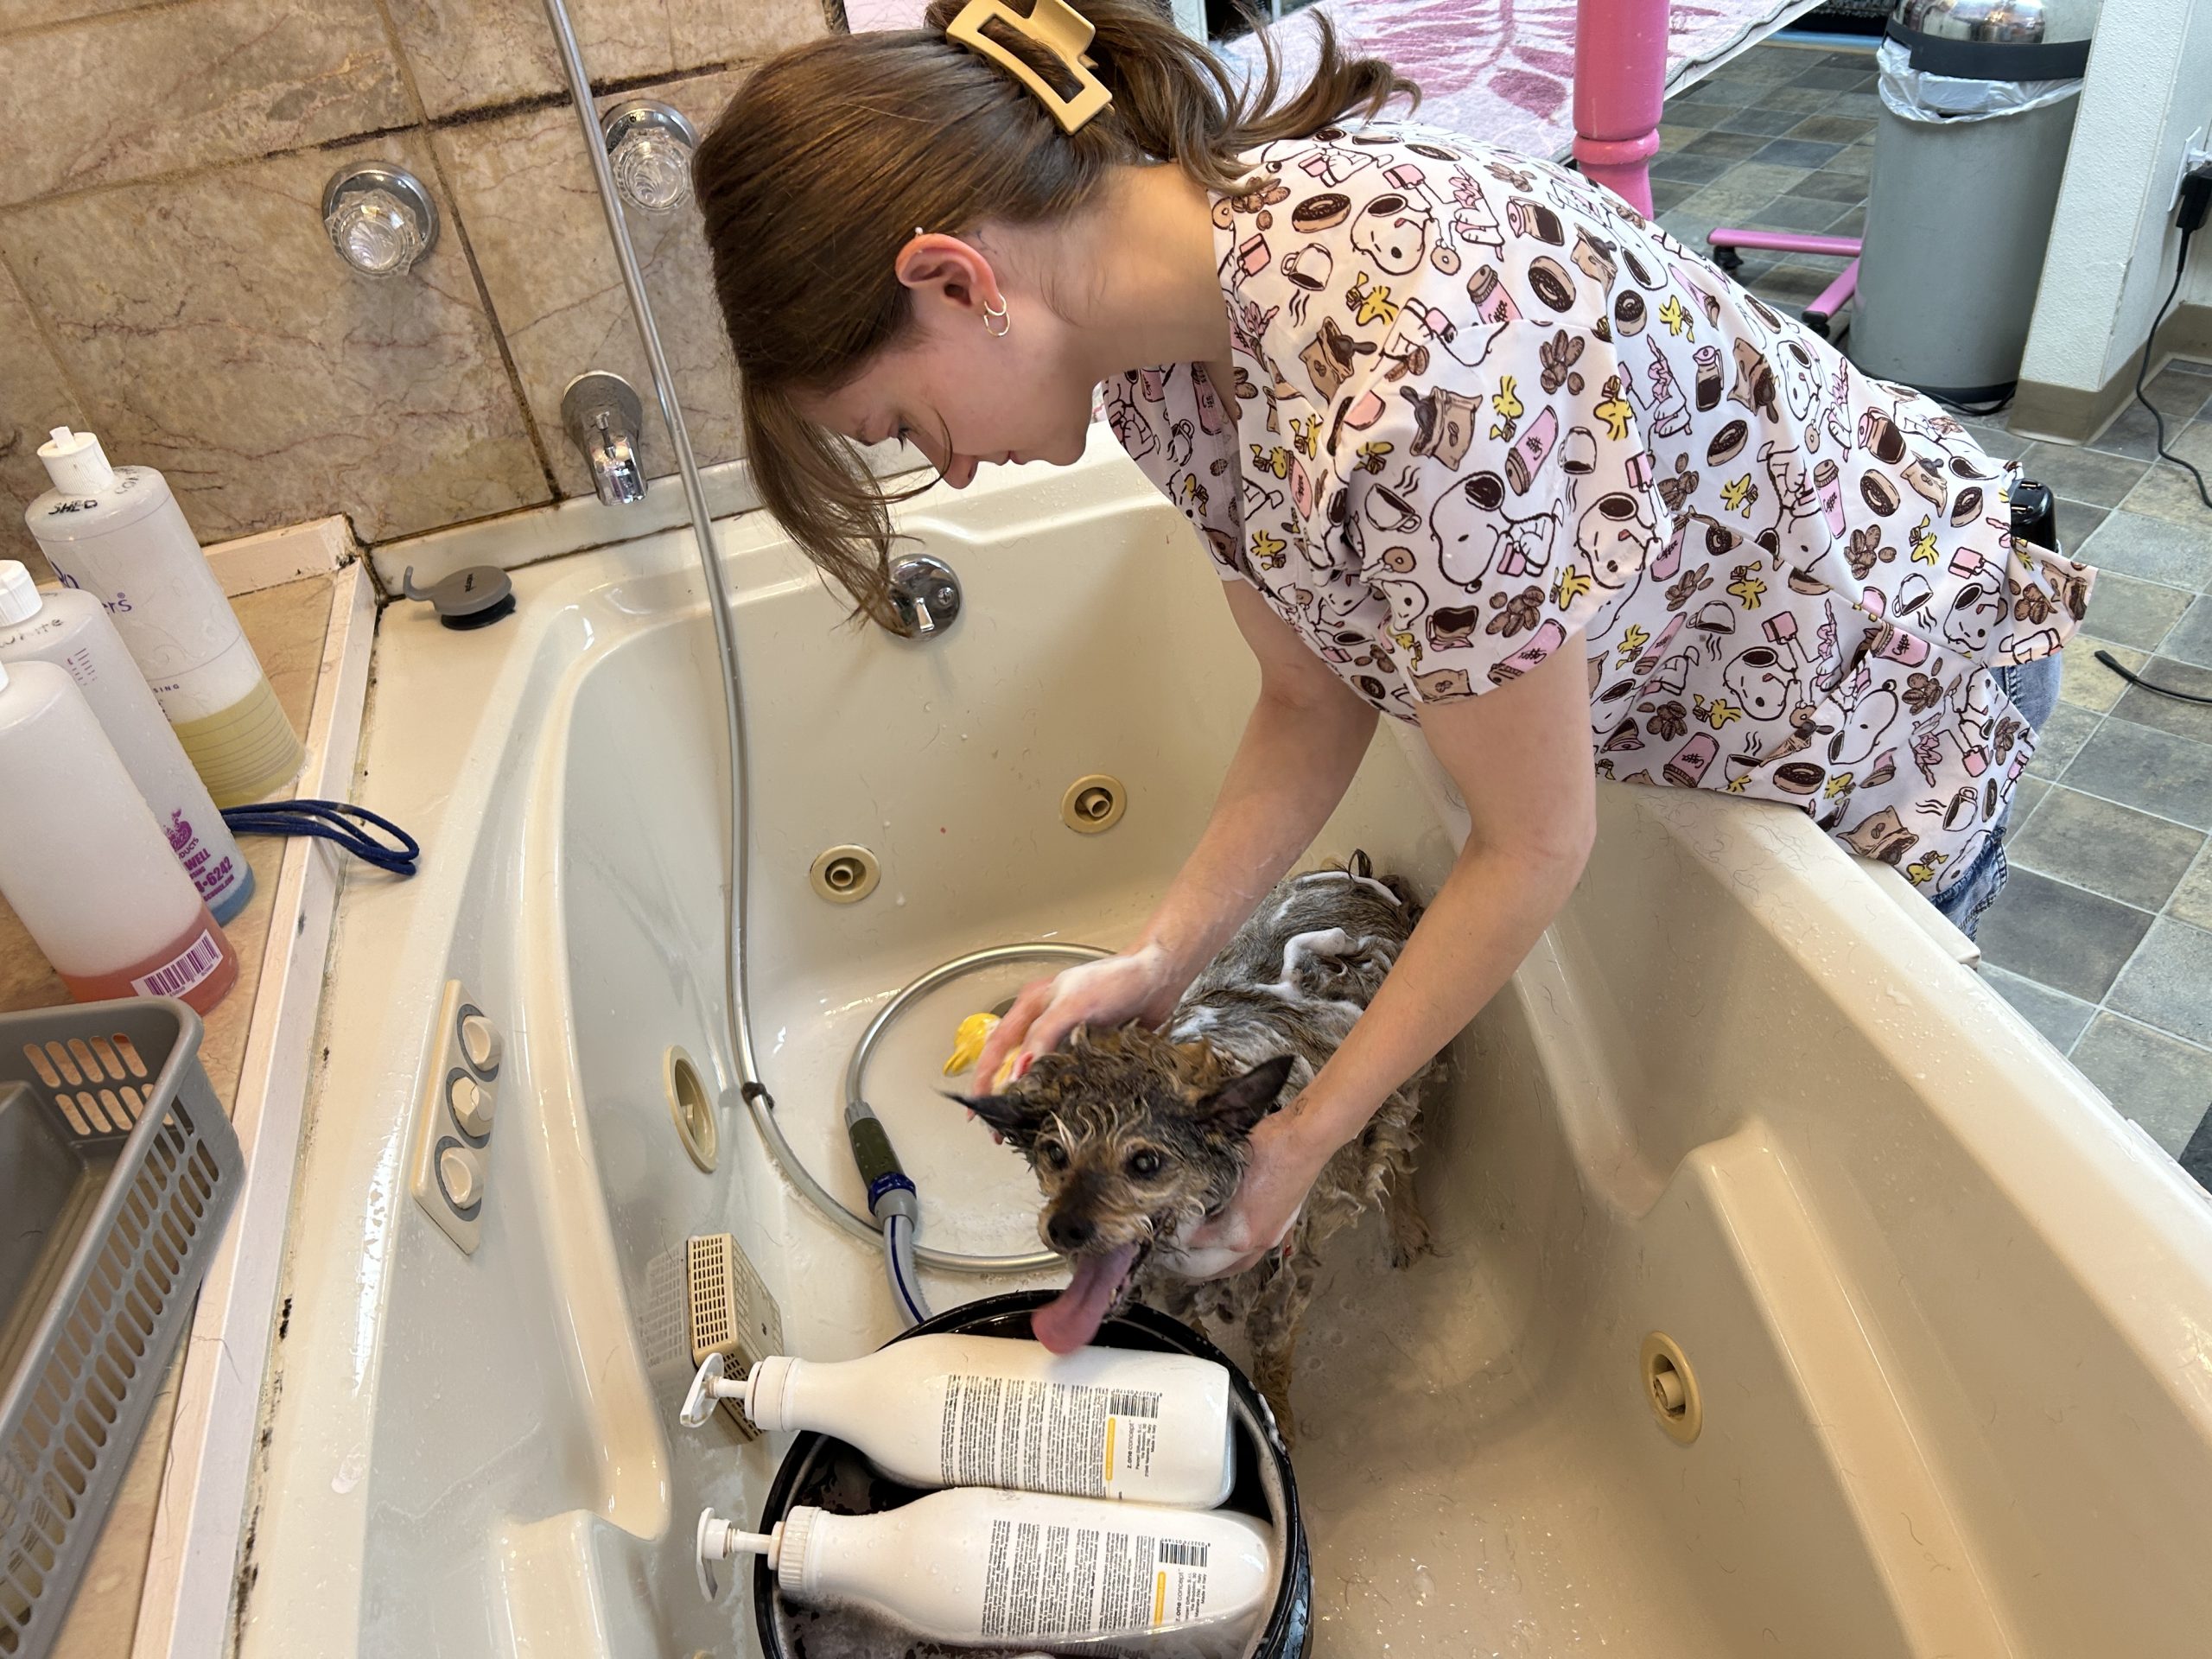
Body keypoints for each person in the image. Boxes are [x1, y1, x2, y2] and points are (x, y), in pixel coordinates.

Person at [692, 0, 2094, 1278]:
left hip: (1884, 686)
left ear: (953, 279)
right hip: (1709, 695)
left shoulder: (1414, 363)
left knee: (1887, 1185)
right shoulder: (1162, 376)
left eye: (898, 423)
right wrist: (1159, 963)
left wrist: (1302, 1142)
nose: (946, 474)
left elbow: (1535, 842)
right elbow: (1307, 700)